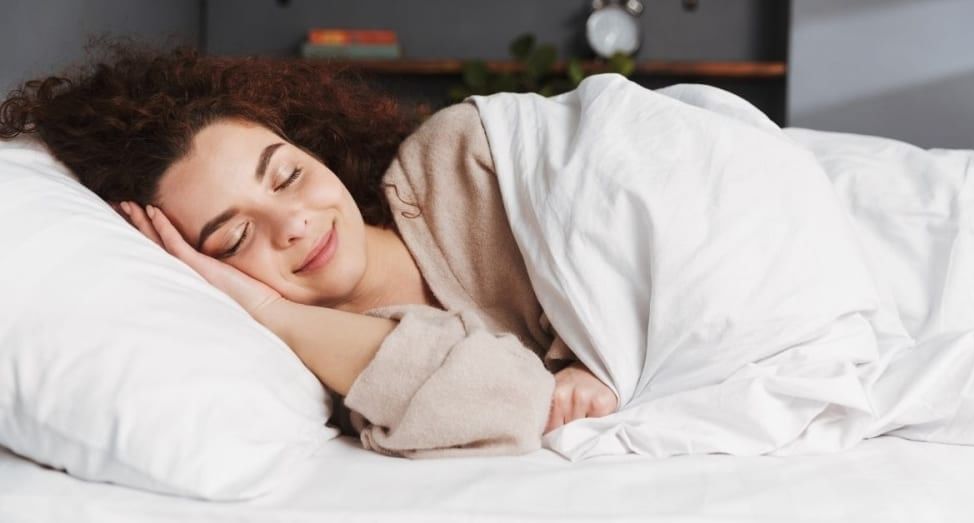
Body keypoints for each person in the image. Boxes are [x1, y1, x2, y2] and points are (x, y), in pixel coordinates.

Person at [0, 42, 618, 457]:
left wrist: (599, 350)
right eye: (236, 237)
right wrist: (274, 315)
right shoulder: (342, 364)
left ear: (310, 145)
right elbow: (513, 405)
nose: (292, 223)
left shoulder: (461, 157)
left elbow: (624, 215)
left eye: (286, 175)